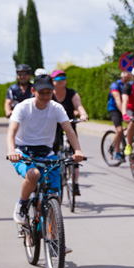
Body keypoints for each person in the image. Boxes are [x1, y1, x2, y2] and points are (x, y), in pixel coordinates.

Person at [7, 74, 85, 224]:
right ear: (33, 90)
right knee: (34, 174)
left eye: (48, 92)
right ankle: (22, 204)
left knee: (55, 195)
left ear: (53, 92)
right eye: (41, 92)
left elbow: (69, 131)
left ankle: (56, 241)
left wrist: (78, 150)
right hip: (22, 152)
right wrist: (12, 151)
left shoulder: (56, 108)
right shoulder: (23, 107)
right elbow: (11, 131)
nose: (45, 96)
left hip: (47, 153)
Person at [51, 70, 89, 196]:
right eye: (57, 78)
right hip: (54, 125)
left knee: (75, 152)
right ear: (52, 81)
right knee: (54, 149)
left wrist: (83, 114)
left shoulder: (71, 93)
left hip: (69, 124)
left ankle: (75, 182)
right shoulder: (50, 94)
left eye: (63, 77)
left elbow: (78, 105)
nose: (61, 80)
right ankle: (53, 179)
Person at [108, 70, 132, 161]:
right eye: (126, 80)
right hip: (114, 109)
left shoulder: (130, 86)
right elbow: (118, 100)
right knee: (119, 130)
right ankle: (117, 152)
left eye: (129, 80)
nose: (128, 82)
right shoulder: (115, 85)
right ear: (121, 78)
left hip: (125, 108)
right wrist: (124, 113)